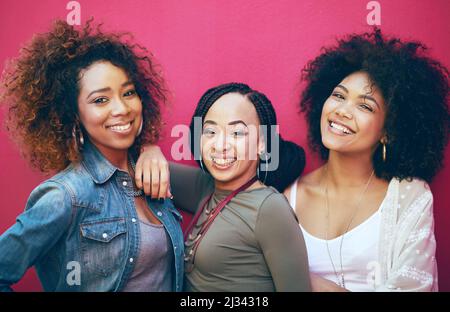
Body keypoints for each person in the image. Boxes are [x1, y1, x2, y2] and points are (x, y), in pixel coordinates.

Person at [0, 20, 184, 292]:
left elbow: (215, 186)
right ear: (74, 116)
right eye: (101, 100)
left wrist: (151, 147)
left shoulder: (151, 174)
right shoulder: (66, 195)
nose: (121, 108)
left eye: (128, 93)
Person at [284, 29, 449, 291]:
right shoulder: (286, 197)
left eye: (365, 106)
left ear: (388, 131)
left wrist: (308, 283)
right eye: (339, 95)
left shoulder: (409, 198)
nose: (342, 111)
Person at [138, 82, 311, 291]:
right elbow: (151, 167)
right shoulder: (206, 188)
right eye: (210, 131)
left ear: (262, 143)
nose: (220, 145)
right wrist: (150, 150)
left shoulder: (270, 208)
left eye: (237, 133)